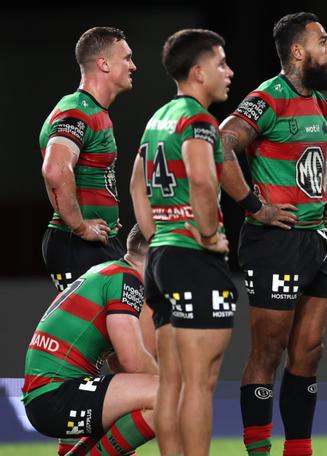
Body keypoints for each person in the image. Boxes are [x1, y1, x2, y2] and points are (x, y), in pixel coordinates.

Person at [218, 12, 327, 456]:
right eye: (322, 41)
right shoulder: (267, 98)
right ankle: (257, 450)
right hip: (275, 242)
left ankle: (299, 449)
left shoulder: (320, 102)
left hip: (314, 240)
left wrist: (321, 200)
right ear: (297, 50)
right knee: (268, 351)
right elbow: (221, 144)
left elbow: (312, 159)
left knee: (310, 350)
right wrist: (255, 207)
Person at [130, 28, 236, 456]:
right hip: (193, 259)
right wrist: (209, 235)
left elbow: (137, 186)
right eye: (221, 63)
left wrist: (159, 237)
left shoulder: (158, 118)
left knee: (171, 383)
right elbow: (201, 178)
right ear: (197, 72)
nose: (229, 71)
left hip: (163, 260)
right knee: (200, 383)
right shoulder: (197, 119)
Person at [22, 225, 157, 455]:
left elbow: (119, 364)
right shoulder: (127, 280)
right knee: (169, 395)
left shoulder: (111, 271)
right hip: (55, 396)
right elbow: (131, 361)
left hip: (50, 395)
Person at [40, 26, 136, 292]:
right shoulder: (77, 111)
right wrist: (81, 226)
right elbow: (55, 170)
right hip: (78, 245)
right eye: (127, 58)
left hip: (96, 244)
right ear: (103, 64)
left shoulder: (94, 111)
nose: (134, 66)